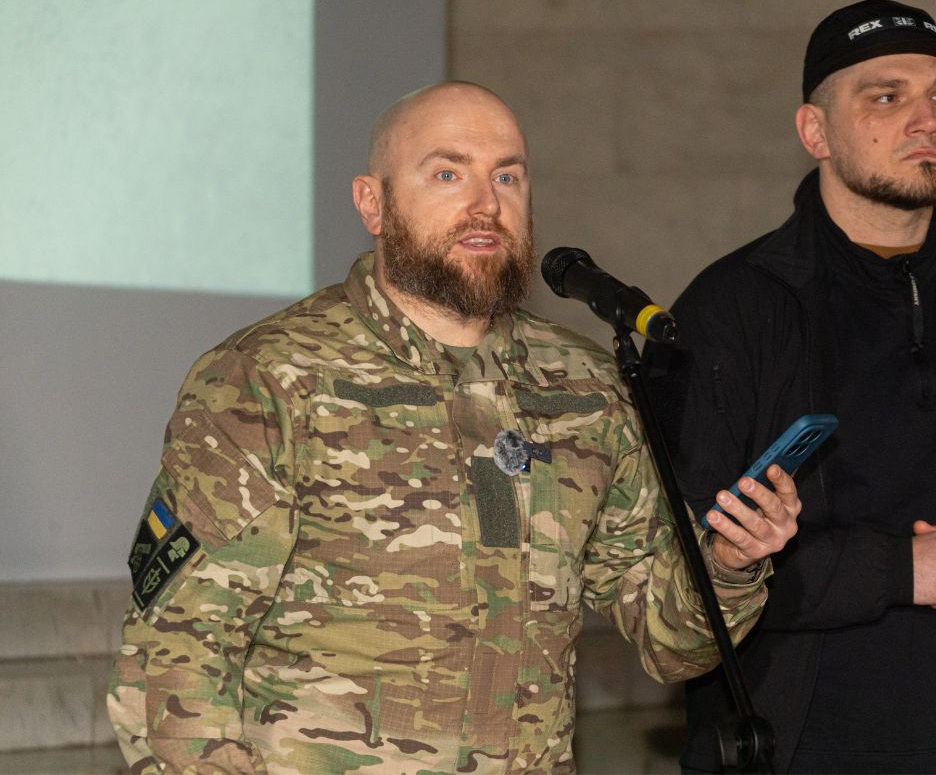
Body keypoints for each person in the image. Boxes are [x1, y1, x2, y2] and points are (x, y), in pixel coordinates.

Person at [107, 81, 802, 775]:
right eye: (448, 173)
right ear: (372, 204)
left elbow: (669, 640)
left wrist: (730, 563)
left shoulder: (584, 387)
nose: (486, 203)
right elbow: (176, 656)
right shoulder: (270, 377)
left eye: (507, 176)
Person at [645, 0, 936, 774]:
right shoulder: (730, 310)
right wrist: (904, 570)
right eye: (886, 96)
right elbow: (685, 556)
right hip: (786, 747)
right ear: (815, 132)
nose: (926, 119)